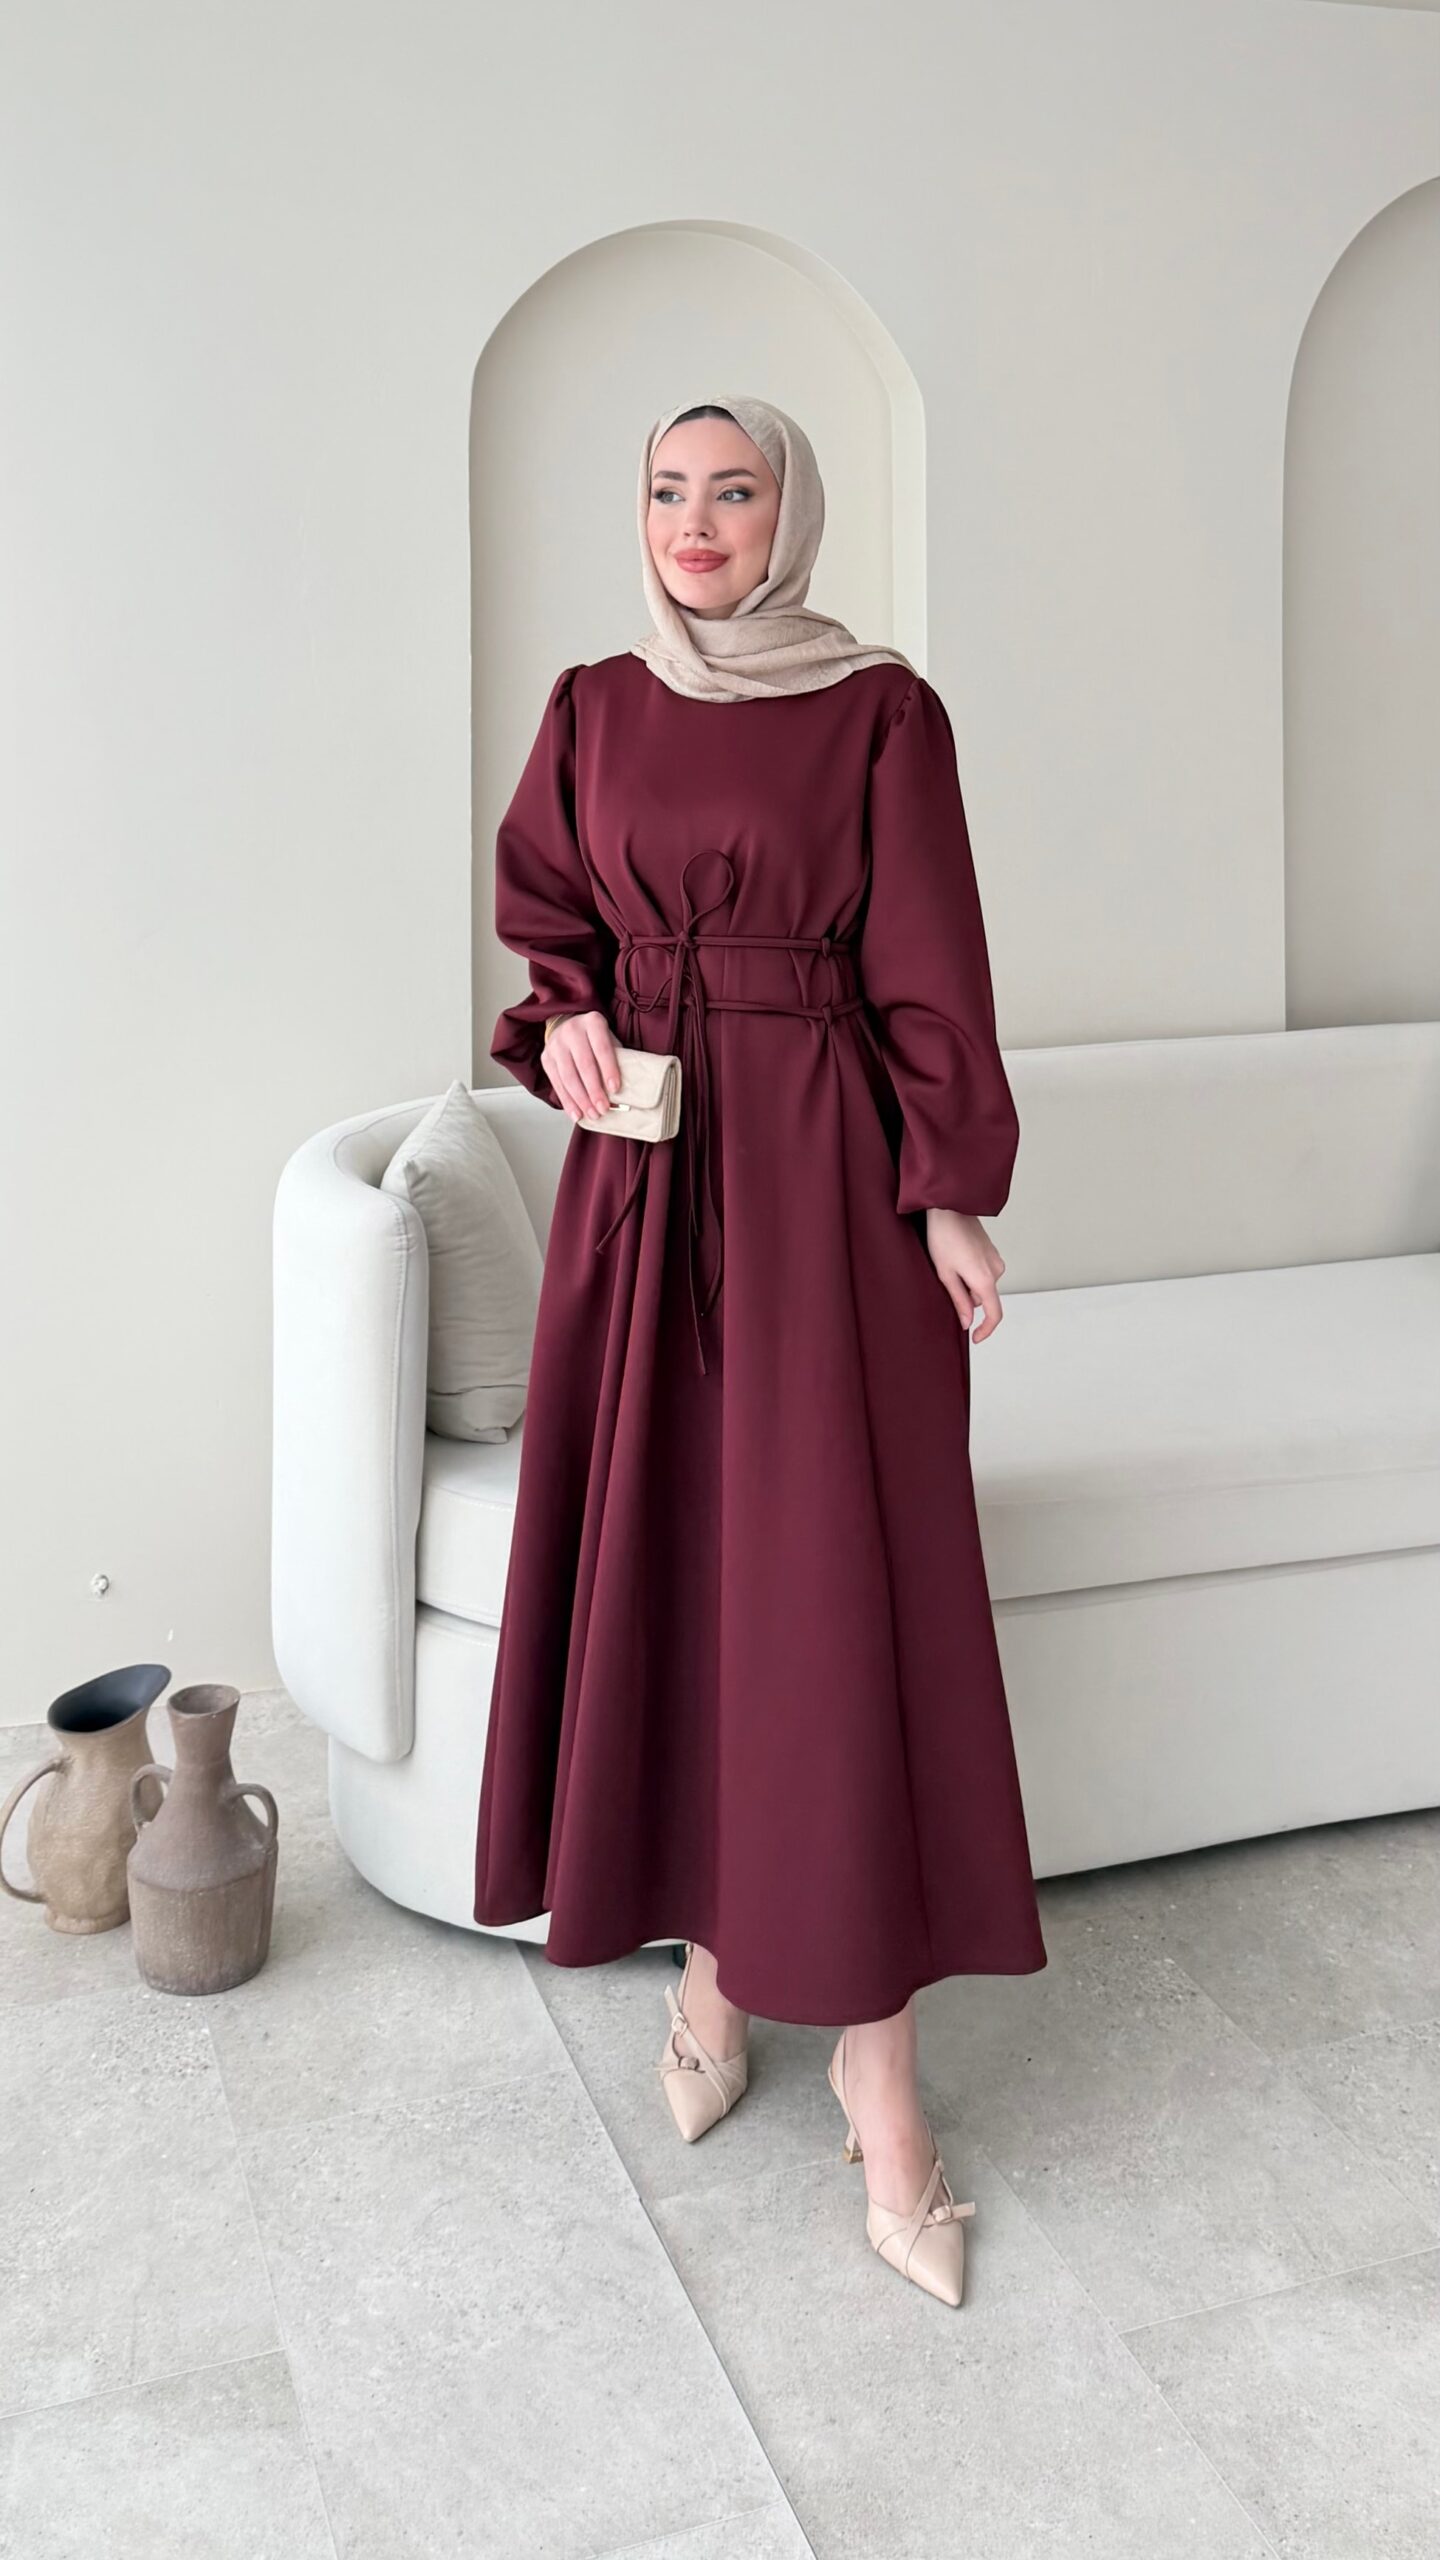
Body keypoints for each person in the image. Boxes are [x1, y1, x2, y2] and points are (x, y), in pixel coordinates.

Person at [475, 393, 1047, 2308]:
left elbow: (931, 965)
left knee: (827, 1605)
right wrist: (562, 1016)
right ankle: (714, 1968)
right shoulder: (592, 705)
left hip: (823, 1193)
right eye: (667, 489)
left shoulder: (880, 711)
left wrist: (950, 1194)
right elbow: (552, 929)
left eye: (734, 490)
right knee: (679, 1574)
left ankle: (882, 2082)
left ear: (789, 513)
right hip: (642, 1197)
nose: (696, 521)